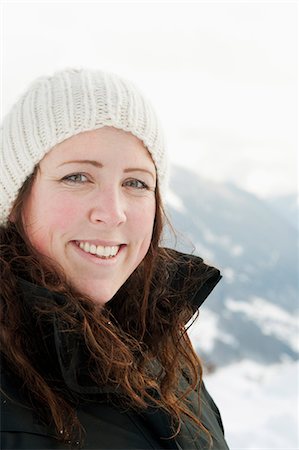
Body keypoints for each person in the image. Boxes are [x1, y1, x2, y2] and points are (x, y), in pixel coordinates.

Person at [0, 68, 229, 450]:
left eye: (136, 183)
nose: (113, 211)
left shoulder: (165, 349)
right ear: (15, 201)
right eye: (78, 177)